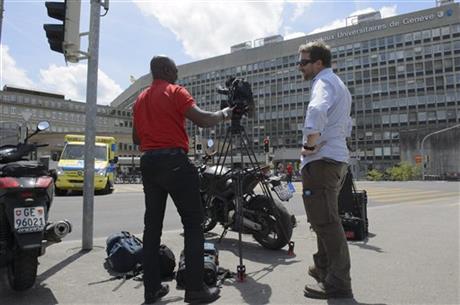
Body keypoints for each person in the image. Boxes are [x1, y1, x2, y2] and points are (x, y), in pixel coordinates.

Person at [132, 56, 233, 304]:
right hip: (174, 162)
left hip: (149, 163)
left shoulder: (140, 99)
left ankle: (152, 290)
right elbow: (203, 119)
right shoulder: (175, 91)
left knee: (152, 227)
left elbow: (136, 139)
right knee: (193, 223)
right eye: (175, 69)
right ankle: (195, 289)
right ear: (166, 70)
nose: (178, 73)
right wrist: (225, 113)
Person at [297, 41, 353, 299]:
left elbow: (316, 109)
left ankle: (338, 281)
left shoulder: (322, 83)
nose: (300, 67)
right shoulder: (338, 84)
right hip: (335, 160)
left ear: (318, 63)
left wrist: (310, 144)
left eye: (304, 62)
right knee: (323, 218)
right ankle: (324, 268)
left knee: (327, 222)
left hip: (322, 162)